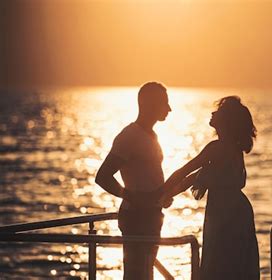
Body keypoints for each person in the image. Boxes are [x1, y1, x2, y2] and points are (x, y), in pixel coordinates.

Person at [159, 96, 260, 280]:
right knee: (233, 266)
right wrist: (166, 193)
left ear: (226, 121)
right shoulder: (233, 148)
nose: (213, 113)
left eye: (218, 112)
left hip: (225, 214)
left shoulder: (217, 148)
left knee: (219, 264)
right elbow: (191, 179)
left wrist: (159, 193)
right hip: (234, 210)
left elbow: (184, 172)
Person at [95, 82, 172, 280]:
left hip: (153, 215)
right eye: (165, 103)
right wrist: (134, 198)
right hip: (137, 217)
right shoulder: (129, 136)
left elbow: (147, 175)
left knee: (146, 272)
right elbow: (103, 176)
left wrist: (162, 195)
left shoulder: (152, 136)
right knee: (137, 273)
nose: (169, 109)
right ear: (151, 105)